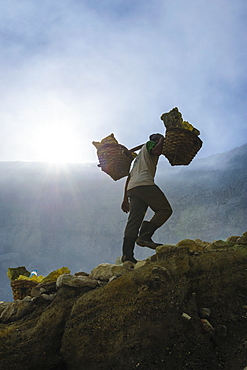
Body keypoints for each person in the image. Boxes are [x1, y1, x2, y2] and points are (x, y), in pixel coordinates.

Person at [121, 133, 172, 263]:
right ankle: (145, 235)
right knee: (165, 209)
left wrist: (125, 198)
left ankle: (127, 256)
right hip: (145, 184)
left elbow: (129, 177)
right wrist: (161, 140)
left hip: (132, 189)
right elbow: (156, 150)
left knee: (133, 221)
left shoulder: (138, 158)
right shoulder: (151, 145)